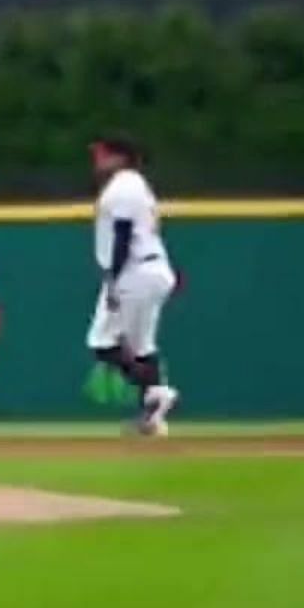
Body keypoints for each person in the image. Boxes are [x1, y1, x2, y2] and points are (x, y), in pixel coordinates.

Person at [86, 134, 180, 435]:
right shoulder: (132, 184)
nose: (98, 160)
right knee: (141, 347)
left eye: (103, 154)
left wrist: (114, 280)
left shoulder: (125, 184)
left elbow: (124, 234)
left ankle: (156, 393)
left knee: (102, 343)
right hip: (146, 269)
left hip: (134, 272)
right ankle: (152, 417)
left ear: (120, 158)